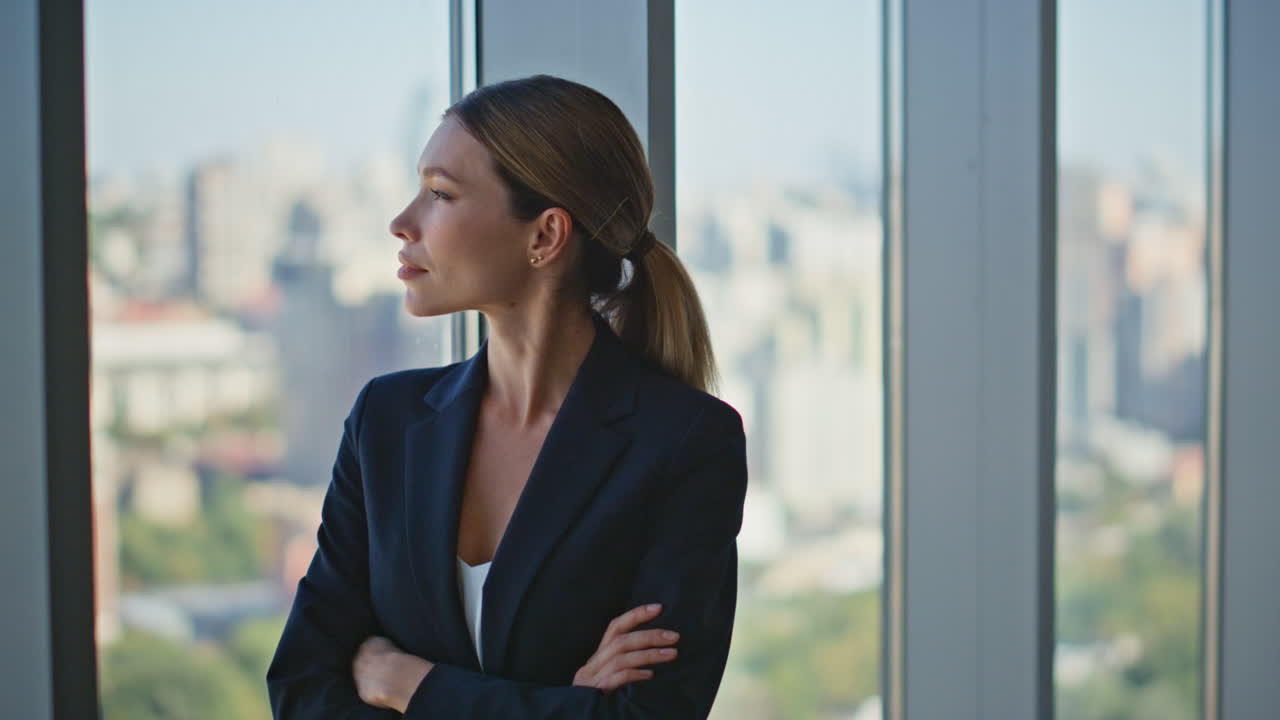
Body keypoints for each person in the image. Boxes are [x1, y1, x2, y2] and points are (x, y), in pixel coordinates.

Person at [266, 74, 748, 718]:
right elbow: (302, 688)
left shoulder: (685, 442)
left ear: (545, 236)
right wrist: (562, 704)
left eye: (440, 194)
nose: (402, 223)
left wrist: (409, 684)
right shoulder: (385, 422)